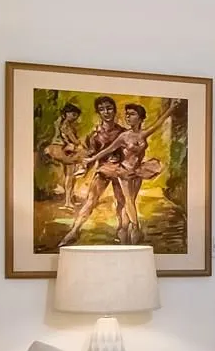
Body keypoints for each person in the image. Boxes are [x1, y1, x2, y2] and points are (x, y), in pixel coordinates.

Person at [79, 101, 170, 243]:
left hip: (138, 171)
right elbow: (106, 150)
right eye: (127, 115)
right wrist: (91, 159)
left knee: (131, 201)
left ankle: (125, 231)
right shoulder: (123, 136)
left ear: (140, 118)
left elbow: (160, 122)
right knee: (128, 201)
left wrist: (171, 109)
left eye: (132, 114)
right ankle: (136, 228)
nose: (128, 117)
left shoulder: (143, 133)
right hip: (124, 171)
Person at [59, 96, 128, 246]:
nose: (106, 112)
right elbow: (90, 154)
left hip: (121, 171)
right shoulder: (95, 134)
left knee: (121, 201)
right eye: (102, 109)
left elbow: (129, 154)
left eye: (109, 108)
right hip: (103, 170)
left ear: (115, 111)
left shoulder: (123, 132)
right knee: (91, 200)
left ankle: (123, 231)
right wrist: (84, 168)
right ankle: (74, 231)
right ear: (98, 112)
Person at [42, 102, 86, 206]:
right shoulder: (66, 125)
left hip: (56, 148)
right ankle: (68, 201)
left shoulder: (59, 122)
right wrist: (77, 142)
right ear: (66, 114)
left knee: (69, 175)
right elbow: (73, 140)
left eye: (76, 115)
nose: (75, 117)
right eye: (73, 114)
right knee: (81, 156)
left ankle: (69, 199)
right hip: (60, 149)